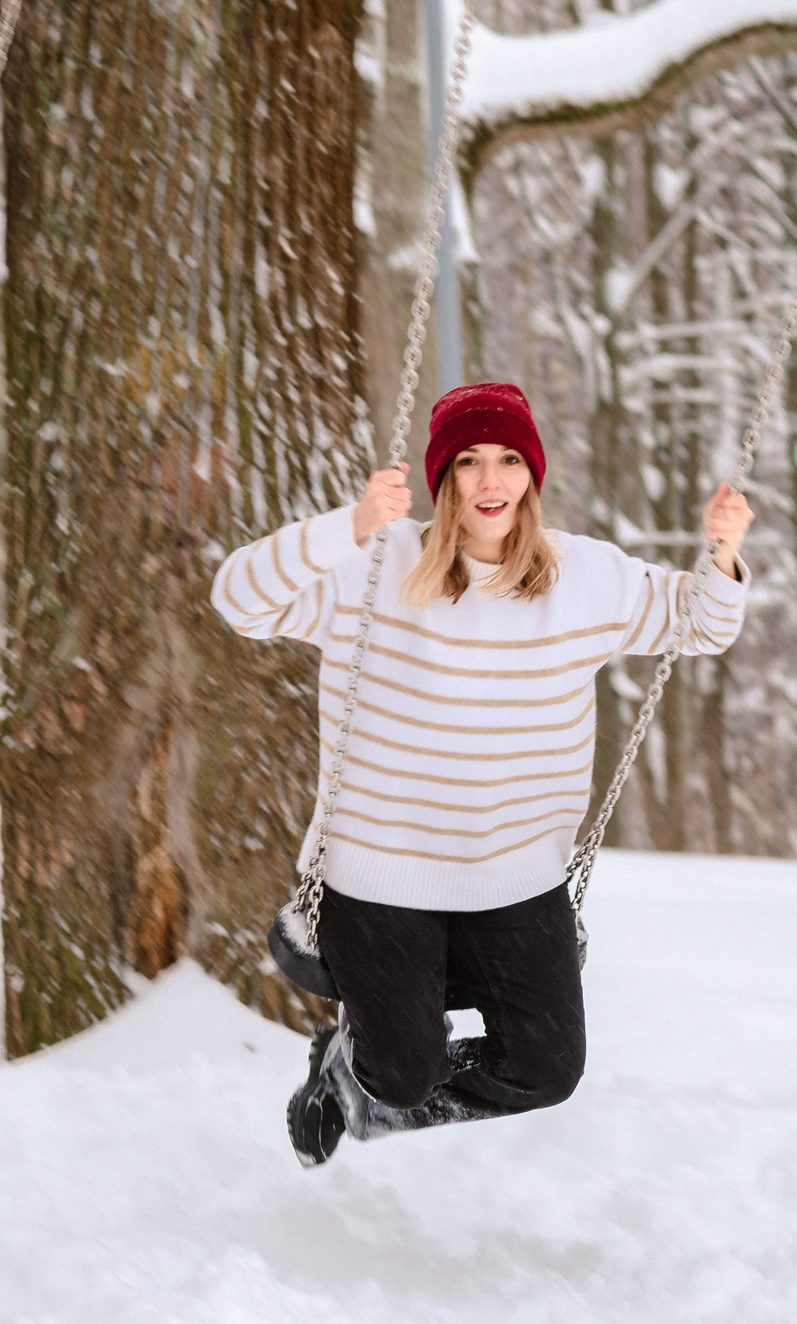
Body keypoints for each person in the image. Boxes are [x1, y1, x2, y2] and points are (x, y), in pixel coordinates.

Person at [211, 381, 751, 1167]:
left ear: (530, 472)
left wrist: (723, 552)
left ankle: (359, 1099)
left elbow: (700, 621)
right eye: (468, 462)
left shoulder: (584, 578)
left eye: (506, 460)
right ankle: (366, 1075)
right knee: (404, 1072)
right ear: (442, 477)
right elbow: (238, 600)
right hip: (380, 876)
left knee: (546, 1068)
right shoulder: (372, 568)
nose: (490, 481)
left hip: (515, 877)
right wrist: (350, 527)